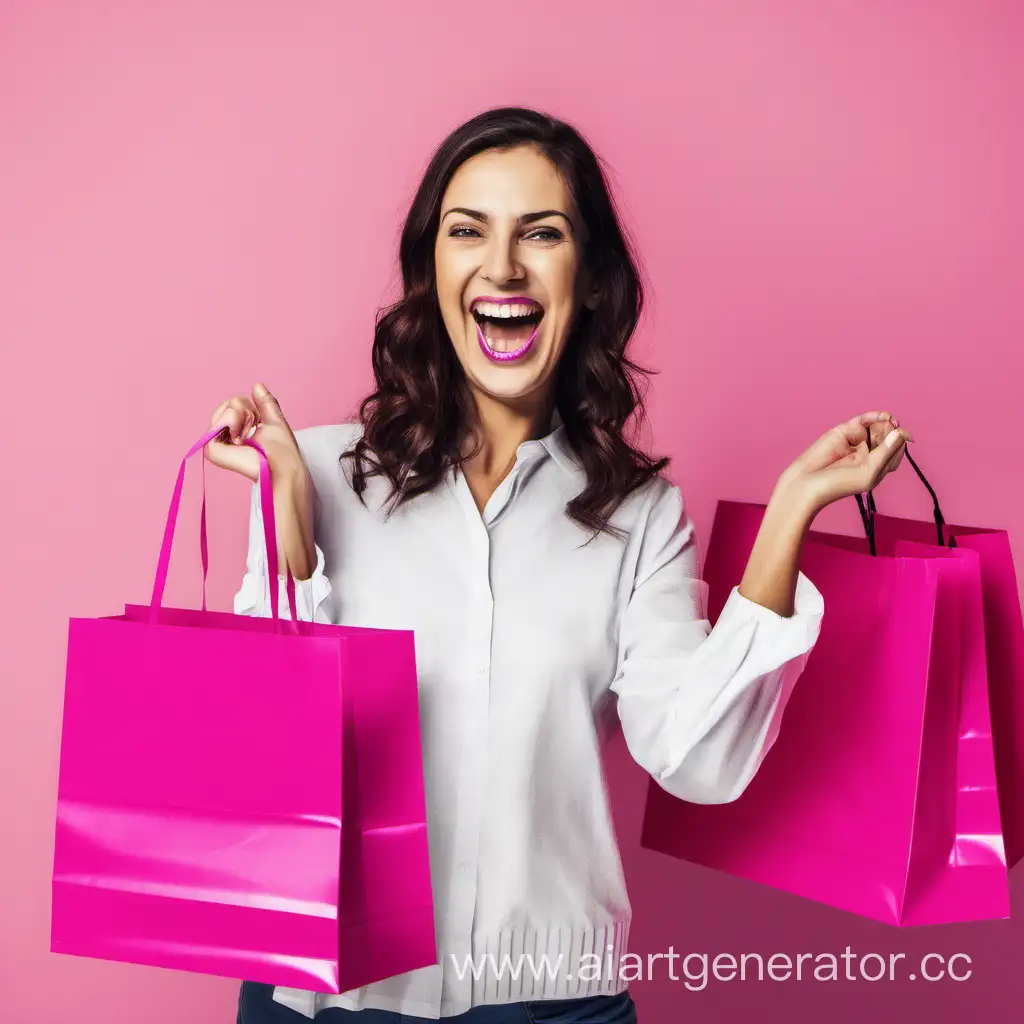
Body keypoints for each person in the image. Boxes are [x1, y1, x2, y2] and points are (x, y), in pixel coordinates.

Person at [204, 107, 909, 1023]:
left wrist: (788, 516)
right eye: (468, 232)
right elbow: (261, 750)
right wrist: (290, 534)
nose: (502, 267)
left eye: (541, 233)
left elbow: (698, 762)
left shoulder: (639, 514)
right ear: (433, 272)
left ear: (589, 278)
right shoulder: (317, 476)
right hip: (325, 996)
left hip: (550, 1004)